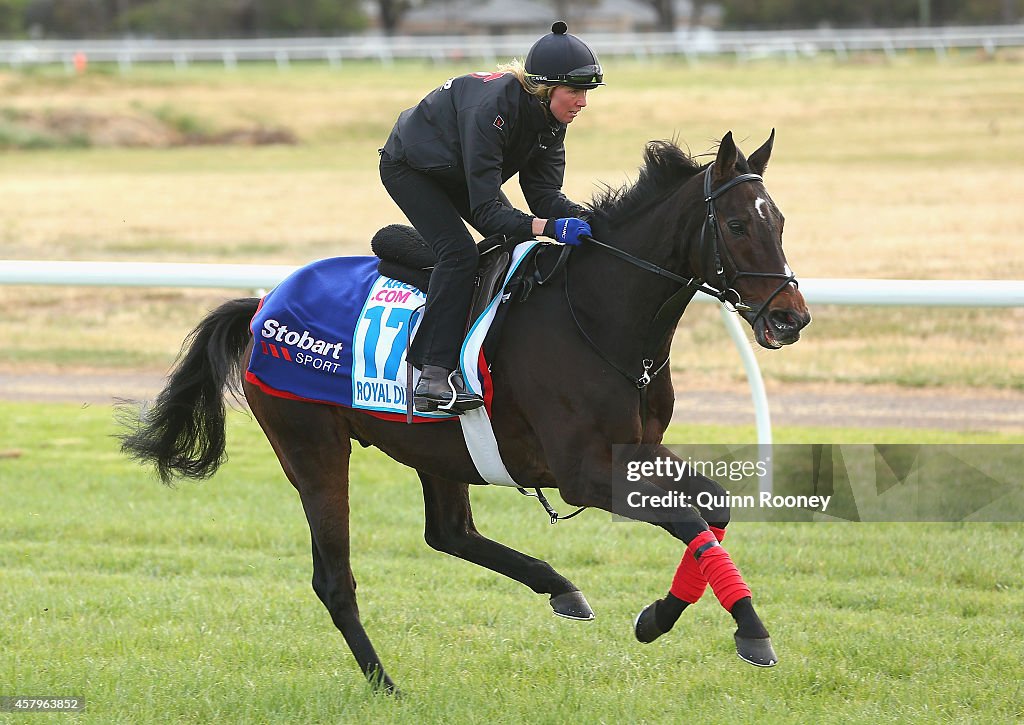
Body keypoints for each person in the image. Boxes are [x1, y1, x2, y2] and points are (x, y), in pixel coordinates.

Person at [379, 21, 603, 414]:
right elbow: (488, 210)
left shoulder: (551, 122)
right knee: (459, 254)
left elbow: (545, 197)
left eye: (585, 92)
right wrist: (550, 229)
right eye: (574, 91)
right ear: (546, 89)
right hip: (411, 167)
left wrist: (596, 220)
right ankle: (430, 375)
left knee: (517, 245)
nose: (582, 101)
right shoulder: (493, 109)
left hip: (458, 170)